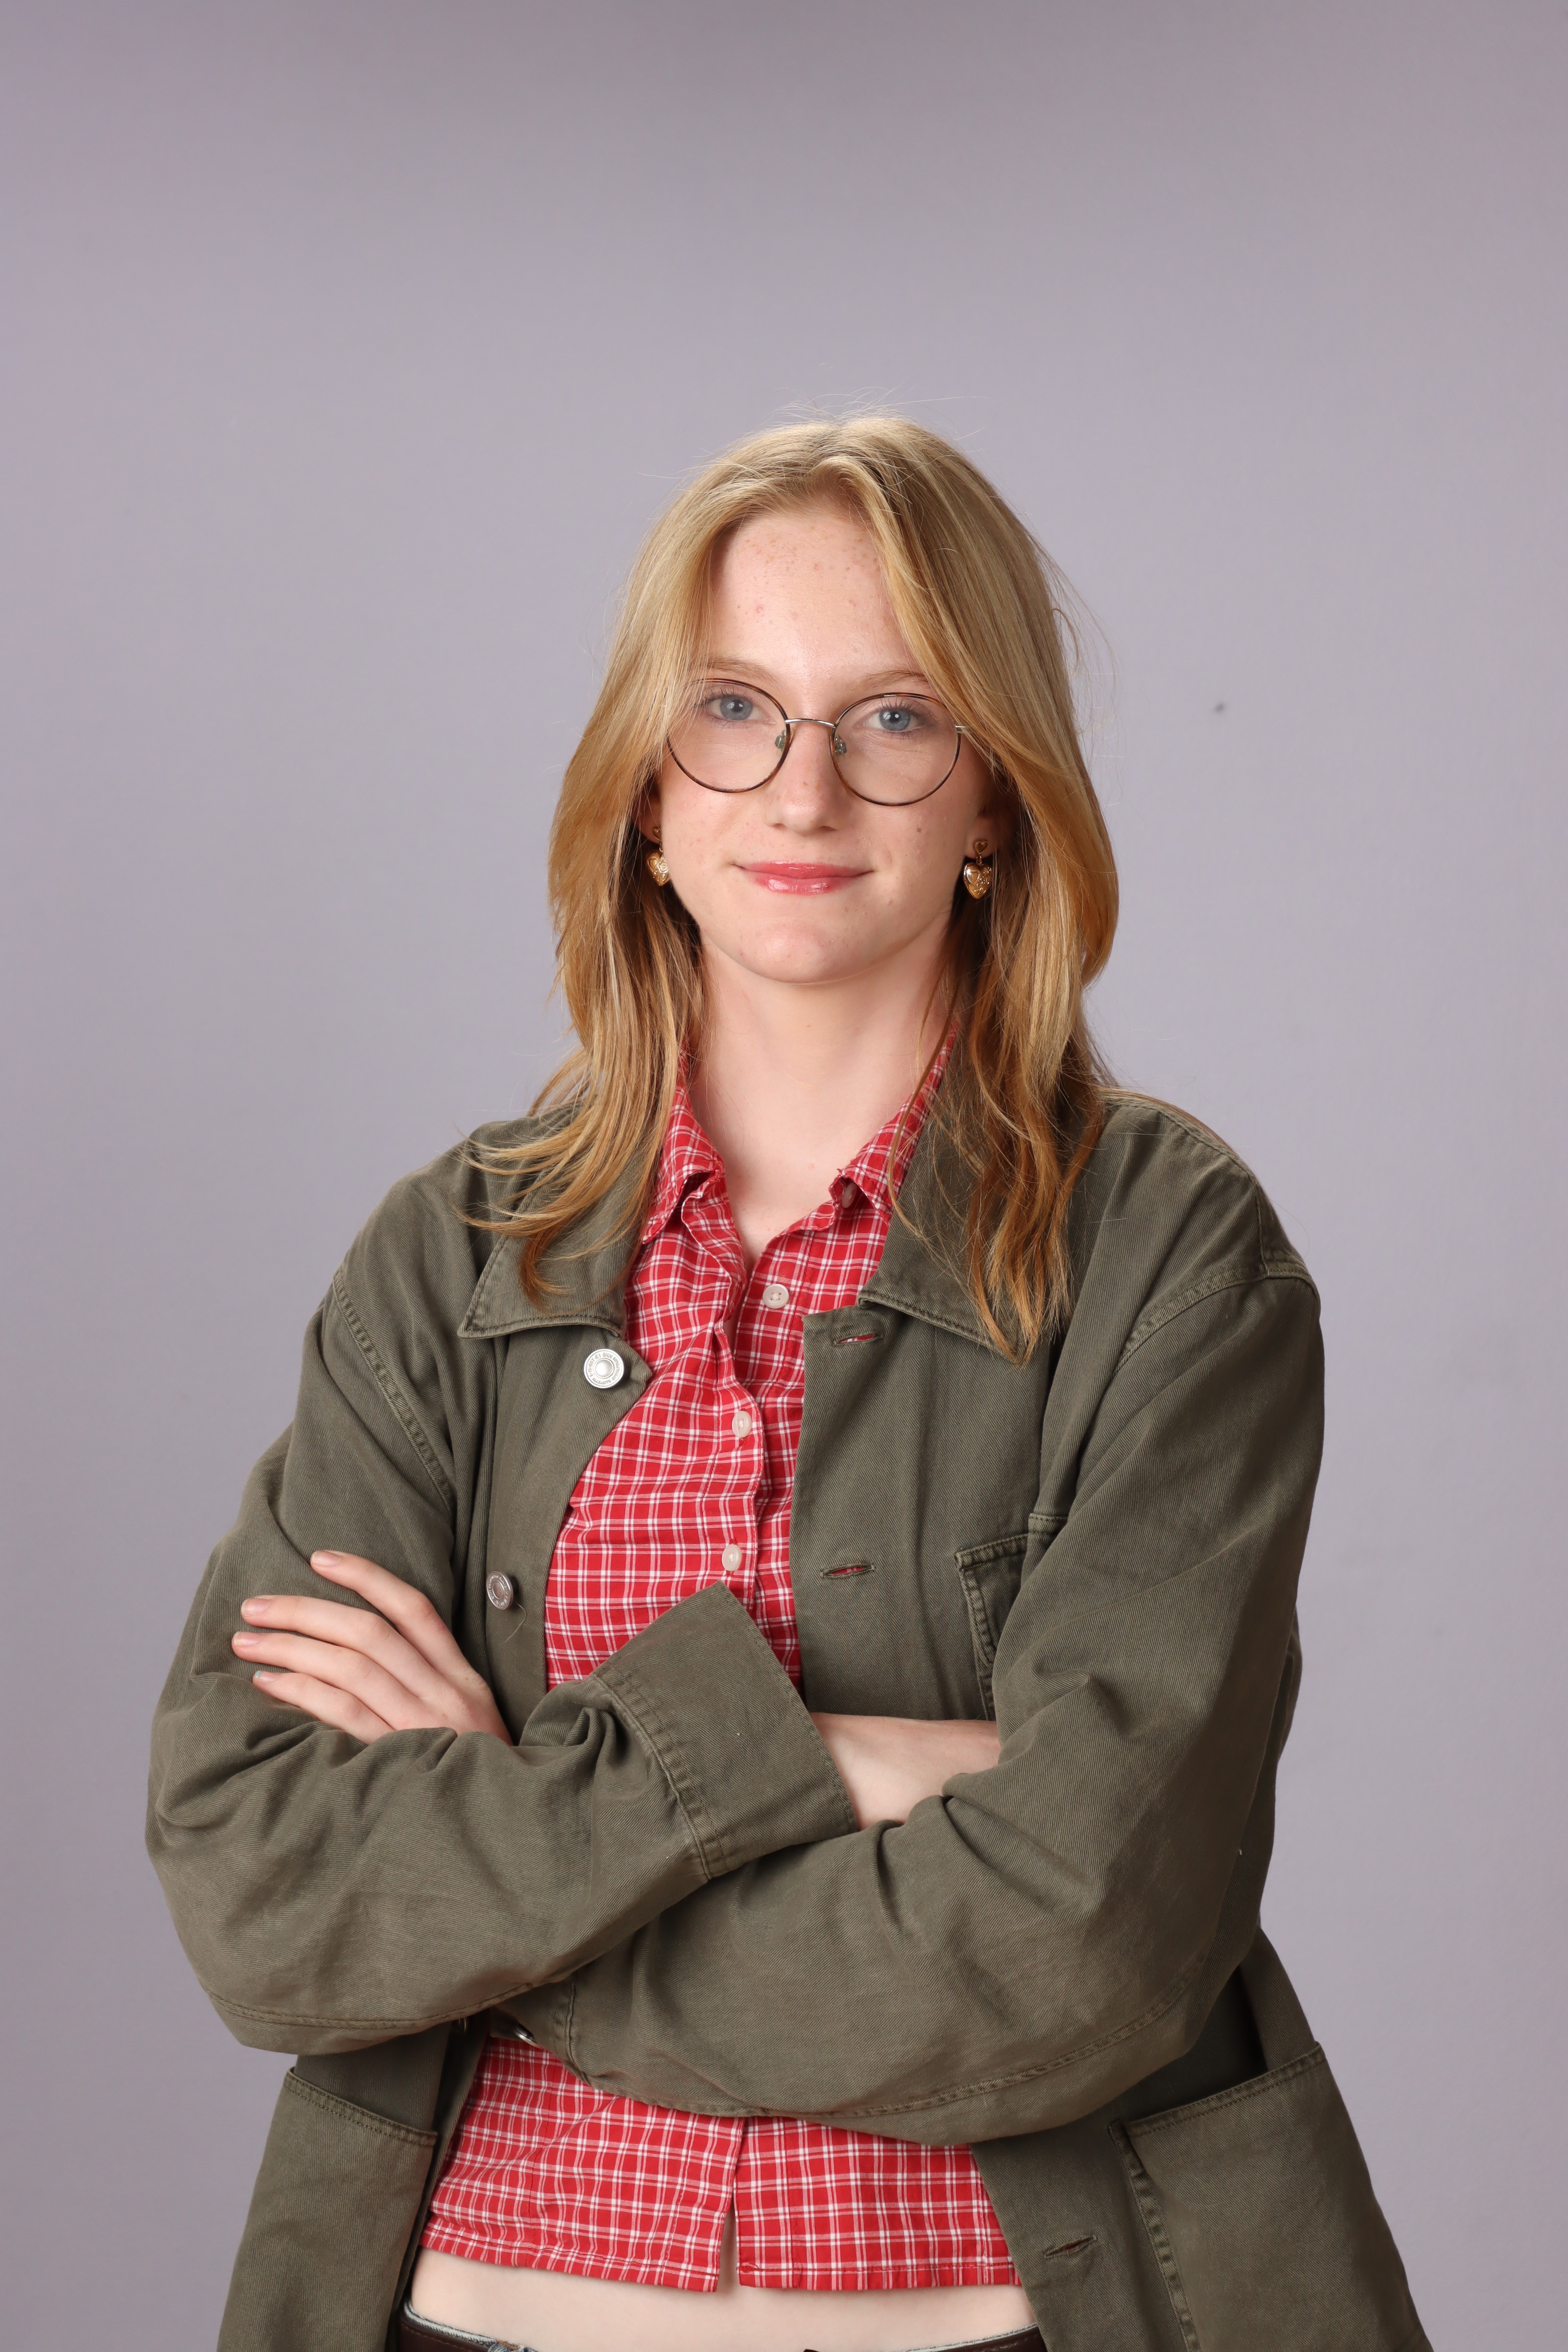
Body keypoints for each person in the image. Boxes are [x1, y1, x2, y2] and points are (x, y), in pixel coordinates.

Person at [149, 417, 1429, 2352]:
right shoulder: (453, 1256)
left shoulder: (1167, 1257)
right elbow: (267, 1888)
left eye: (895, 718)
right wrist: (823, 1763)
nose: (801, 789)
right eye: (732, 708)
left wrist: (506, 1870)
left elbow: (1077, 1943)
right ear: (647, 792)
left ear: (991, 799)